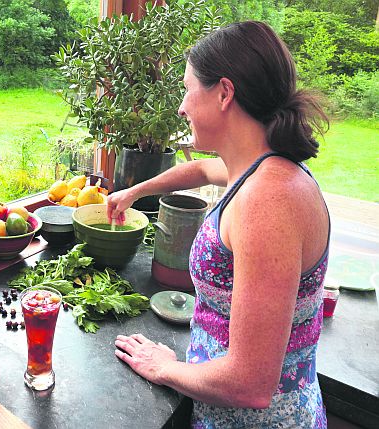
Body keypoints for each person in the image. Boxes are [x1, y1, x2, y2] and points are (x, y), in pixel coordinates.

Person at [110, 21, 330, 428]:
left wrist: (162, 368)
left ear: (224, 93)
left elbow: (250, 383)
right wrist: (133, 192)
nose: (181, 106)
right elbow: (201, 170)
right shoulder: (260, 165)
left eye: (187, 89)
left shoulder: (268, 200)